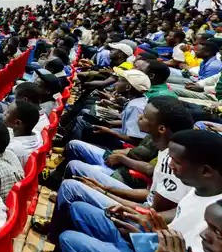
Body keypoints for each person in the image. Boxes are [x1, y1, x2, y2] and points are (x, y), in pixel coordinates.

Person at [35, 96, 195, 241]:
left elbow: (148, 210)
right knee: (74, 167)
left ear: (161, 129)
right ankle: (60, 217)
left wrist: (104, 192)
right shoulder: (164, 150)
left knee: (71, 188)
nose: (140, 117)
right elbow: (150, 193)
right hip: (139, 203)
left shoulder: (173, 162)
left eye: (145, 116)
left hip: (140, 219)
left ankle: (54, 236)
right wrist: (105, 189)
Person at [57, 129, 222, 252]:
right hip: (150, 243)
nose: (170, 165)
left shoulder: (216, 216)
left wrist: (107, 193)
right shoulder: (197, 189)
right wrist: (140, 224)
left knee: (69, 239)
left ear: (206, 171)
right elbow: (171, 221)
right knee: (79, 209)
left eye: (177, 162)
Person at [2, 101, 43, 167]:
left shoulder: (11, 149)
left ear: (17, 123)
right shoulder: (37, 133)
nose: (4, 113)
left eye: (8, 112)